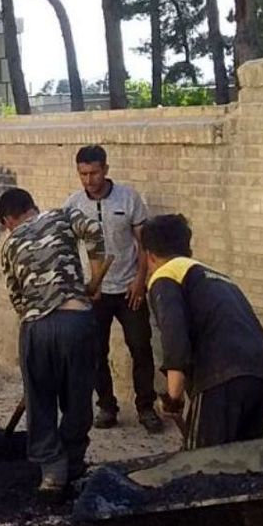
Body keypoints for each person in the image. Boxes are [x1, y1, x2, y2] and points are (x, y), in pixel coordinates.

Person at [0, 187, 109, 495]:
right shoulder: (62, 216)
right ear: (33, 206)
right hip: (77, 322)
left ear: (8, 220)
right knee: (78, 398)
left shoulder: (9, 245)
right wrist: (96, 278)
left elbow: (18, 300)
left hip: (37, 328)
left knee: (40, 401)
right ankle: (73, 463)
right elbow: (94, 229)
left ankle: (52, 474)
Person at [141, 214, 263, 449]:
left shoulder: (166, 274)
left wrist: (173, 397)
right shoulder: (217, 277)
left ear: (149, 256)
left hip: (220, 376)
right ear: (188, 249)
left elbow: (174, 337)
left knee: (203, 466)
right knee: (246, 464)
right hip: (262, 373)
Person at [64, 145, 162, 433]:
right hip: (94, 292)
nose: (89, 179)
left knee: (141, 347)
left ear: (106, 169)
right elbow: (68, 248)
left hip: (129, 288)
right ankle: (106, 406)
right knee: (95, 352)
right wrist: (80, 286)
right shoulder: (72, 205)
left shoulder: (128, 198)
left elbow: (143, 243)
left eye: (94, 172)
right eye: (83, 174)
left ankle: (146, 407)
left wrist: (140, 280)